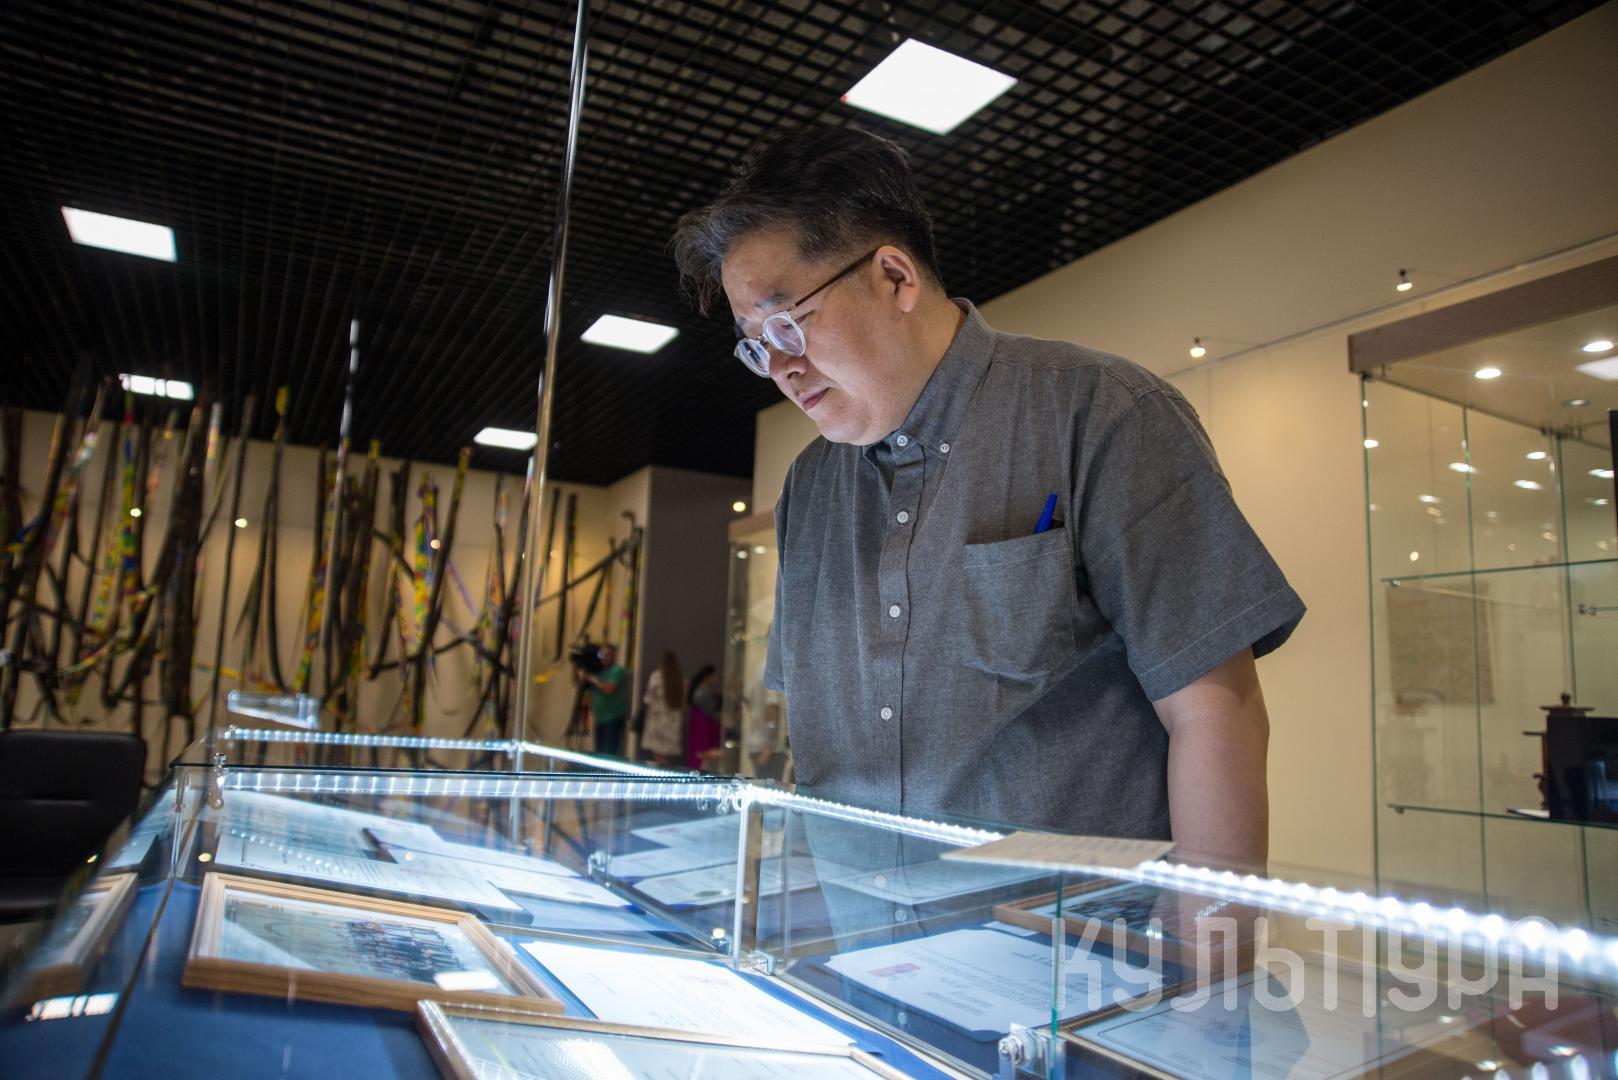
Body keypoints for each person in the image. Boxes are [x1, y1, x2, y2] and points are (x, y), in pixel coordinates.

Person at [671, 126, 1305, 870]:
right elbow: (814, 749)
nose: (779, 366)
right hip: (854, 931)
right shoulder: (808, 488)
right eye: (755, 343)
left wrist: (1211, 943)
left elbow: (1216, 714)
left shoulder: (1100, 413)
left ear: (895, 278)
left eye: (786, 323)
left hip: (1065, 936)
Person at [580, 643, 628, 757]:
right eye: (602, 655)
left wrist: (593, 680)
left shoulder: (616, 671)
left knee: (609, 752)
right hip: (599, 718)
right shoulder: (598, 671)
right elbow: (580, 685)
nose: (604, 658)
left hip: (613, 718)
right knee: (599, 752)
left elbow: (609, 689)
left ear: (613, 656)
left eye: (608, 655)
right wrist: (577, 669)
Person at [640, 650, 686, 767]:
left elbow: (648, 699)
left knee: (657, 756)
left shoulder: (656, 677)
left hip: (657, 720)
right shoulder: (679, 678)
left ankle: (658, 775)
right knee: (666, 758)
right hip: (673, 721)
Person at [685, 664, 722, 771]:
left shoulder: (702, 692)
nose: (715, 680)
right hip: (702, 727)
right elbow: (711, 711)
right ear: (708, 676)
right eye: (714, 677)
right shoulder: (701, 693)